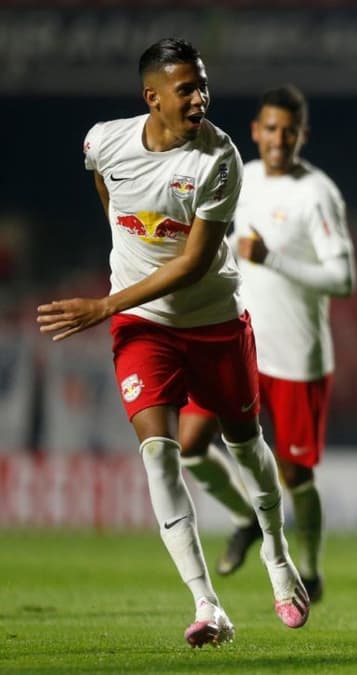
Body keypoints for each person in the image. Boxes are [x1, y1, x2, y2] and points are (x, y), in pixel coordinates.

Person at [36, 38, 310, 648]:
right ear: (152, 97)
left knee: (246, 445)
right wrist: (125, 287)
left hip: (213, 321)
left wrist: (104, 303)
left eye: (203, 85)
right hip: (143, 325)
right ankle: (207, 604)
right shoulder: (103, 142)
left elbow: (193, 263)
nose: (200, 98)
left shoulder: (219, 159)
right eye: (186, 88)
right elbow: (111, 200)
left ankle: (276, 553)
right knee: (160, 454)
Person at [177, 84, 356, 603]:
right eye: (271, 129)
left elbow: (343, 279)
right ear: (256, 131)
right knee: (190, 446)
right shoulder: (242, 176)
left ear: (303, 135)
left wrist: (271, 258)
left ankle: (311, 570)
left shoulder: (317, 193)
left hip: (298, 357)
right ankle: (246, 518)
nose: (279, 139)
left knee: (296, 474)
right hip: (239, 343)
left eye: (289, 130)